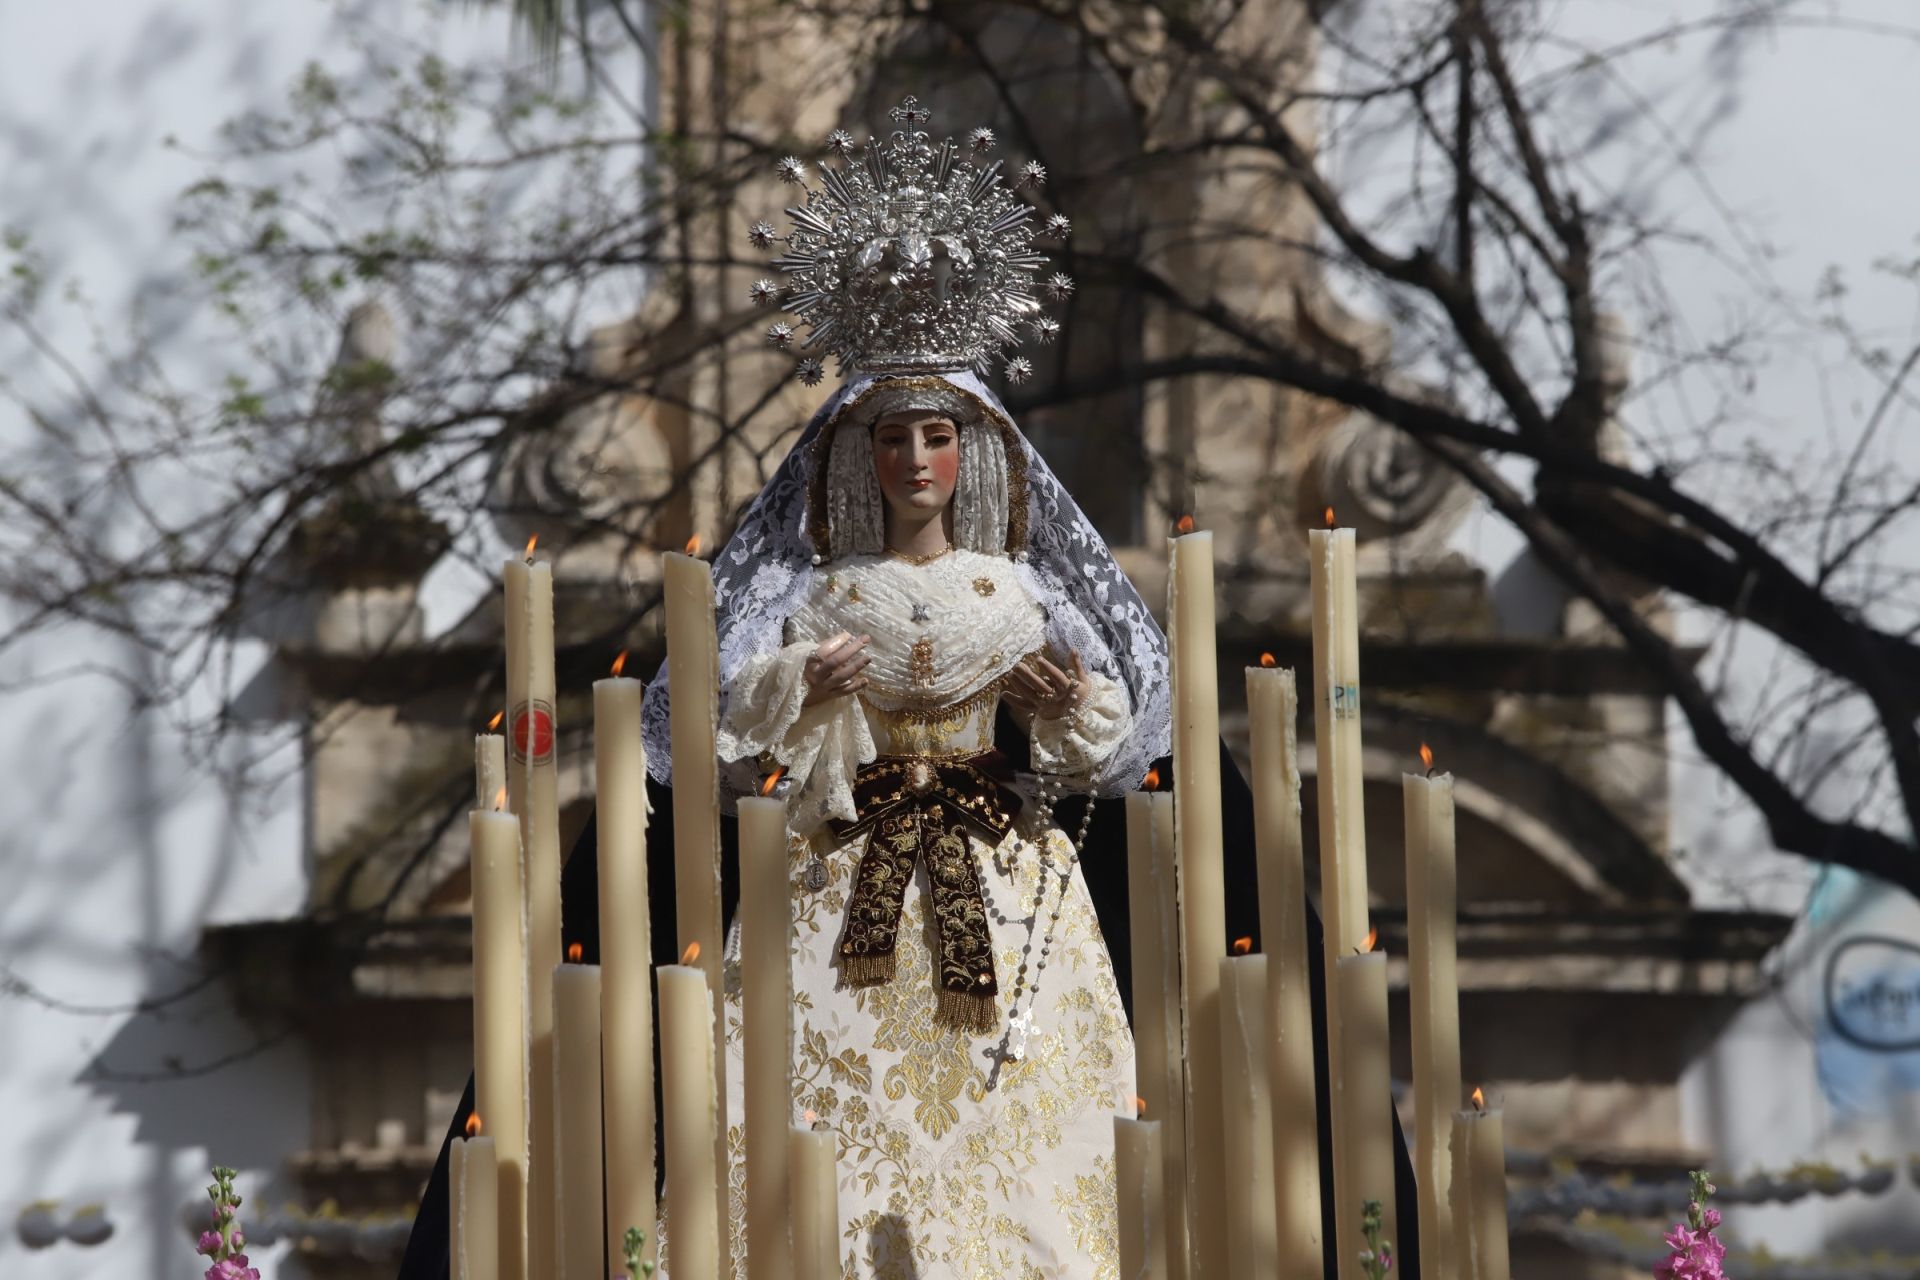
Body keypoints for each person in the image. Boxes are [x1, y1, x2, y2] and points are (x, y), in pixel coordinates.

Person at [398, 96, 1422, 1280]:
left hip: (1006, 876)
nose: (917, 461)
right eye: (894, 440)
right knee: (811, 1124)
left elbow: (1117, 737)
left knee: (1031, 1157)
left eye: (937, 436)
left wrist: (1054, 709)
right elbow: (735, 726)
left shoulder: (1020, 595)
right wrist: (806, 685)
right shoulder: (824, 593)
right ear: (859, 456)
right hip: (838, 890)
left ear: (972, 448)